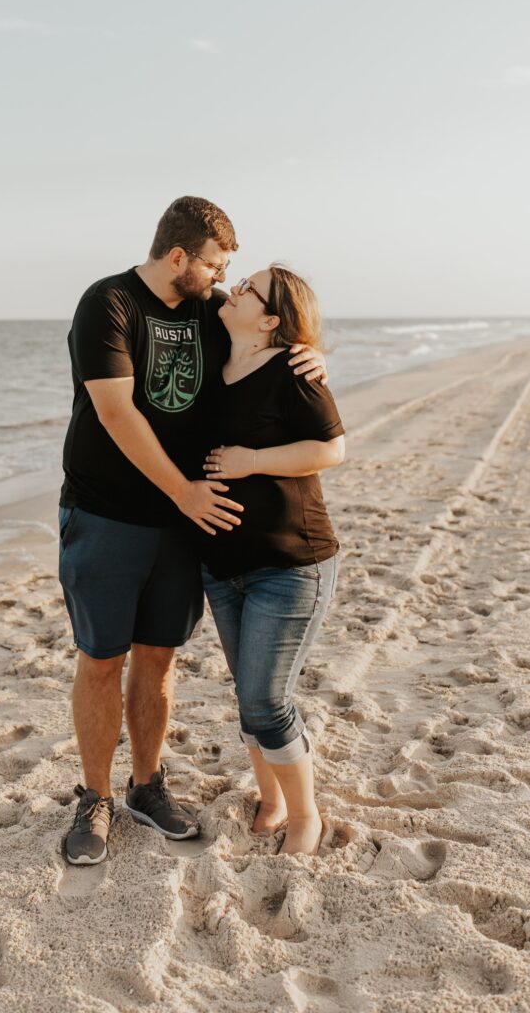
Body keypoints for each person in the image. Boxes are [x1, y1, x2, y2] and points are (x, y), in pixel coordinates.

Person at [58, 197, 327, 865]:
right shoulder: (109, 303)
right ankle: (94, 799)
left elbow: (271, 339)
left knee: (158, 657)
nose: (221, 278)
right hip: (106, 514)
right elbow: (117, 414)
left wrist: (314, 363)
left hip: (183, 528)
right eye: (213, 263)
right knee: (101, 658)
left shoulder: (211, 312)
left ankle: (146, 786)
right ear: (178, 256)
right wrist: (183, 493)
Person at [196, 265, 345, 856]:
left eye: (247, 289)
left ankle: (305, 815)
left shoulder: (293, 369)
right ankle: (273, 798)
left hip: (289, 564)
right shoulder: (215, 356)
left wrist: (251, 461)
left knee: (265, 698)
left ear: (271, 320)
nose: (233, 290)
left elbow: (332, 448)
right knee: (248, 693)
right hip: (221, 563)